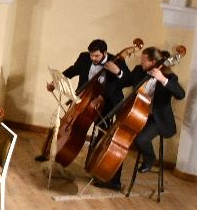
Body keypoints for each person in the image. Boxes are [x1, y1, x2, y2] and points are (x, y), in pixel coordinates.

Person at [95, 45, 186, 190]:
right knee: (122, 139)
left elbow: (181, 94)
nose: (141, 62)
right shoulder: (139, 70)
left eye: (144, 60)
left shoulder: (169, 77)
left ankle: (150, 159)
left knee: (141, 139)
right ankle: (113, 181)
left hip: (157, 119)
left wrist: (162, 79)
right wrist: (118, 72)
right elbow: (124, 81)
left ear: (153, 61)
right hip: (137, 114)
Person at [37, 38, 127, 161]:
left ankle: (92, 163)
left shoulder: (117, 61)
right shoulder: (84, 57)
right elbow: (73, 70)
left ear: (105, 53)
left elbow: (126, 80)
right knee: (67, 123)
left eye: (97, 56)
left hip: (106, 101)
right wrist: (55, 82)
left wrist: (118, 72)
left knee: (100, 134)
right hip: (84, 97)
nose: (93, 58)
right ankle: (52, 153)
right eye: (91, 55)